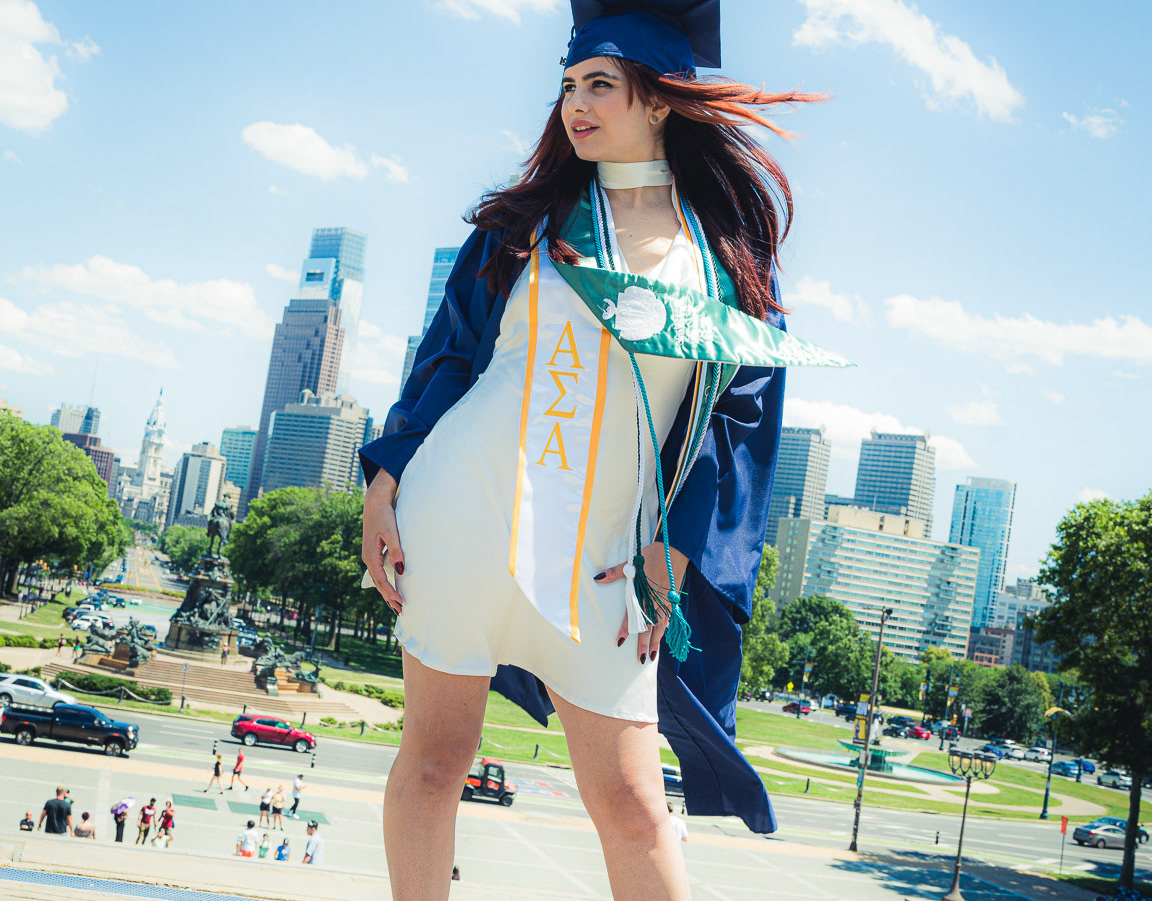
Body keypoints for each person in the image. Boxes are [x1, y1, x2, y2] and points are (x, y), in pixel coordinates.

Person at [358, 3, 839, 898]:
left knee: (635, 805)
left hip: (606, 564)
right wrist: (384, 483)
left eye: (600, 85)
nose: (575, 103)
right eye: (569, 85)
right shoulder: (527, 224)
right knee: (433, 760)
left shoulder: (724, 260)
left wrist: (674, 554)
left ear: (658, 101)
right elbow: (447, 358)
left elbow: (733, 429)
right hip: (463, 517)